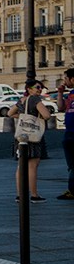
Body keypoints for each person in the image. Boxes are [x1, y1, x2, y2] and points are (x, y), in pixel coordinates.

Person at [12, 78, 54, 201]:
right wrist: (36, 116)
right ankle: (34, 195)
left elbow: (9, 113)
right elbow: (47, 115)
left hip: (21, 136)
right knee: (33, 166)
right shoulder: (36, 100)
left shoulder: (21, 100)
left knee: (21, 166)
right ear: (29, 89)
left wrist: (22, 116)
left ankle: (20, 195)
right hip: (33, 136)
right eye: (37, 87)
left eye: (41, 87)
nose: (40, 90)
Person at [58, 67, 74, 201]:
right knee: (71, 164)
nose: (65, 81)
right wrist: (60, 93)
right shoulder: (71, 94)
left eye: (66, 78)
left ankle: (72, 190)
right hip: (69, 133)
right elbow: (60, 107)